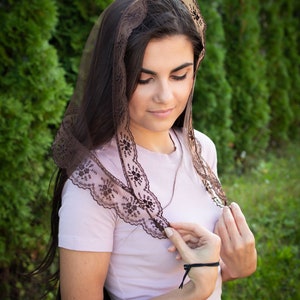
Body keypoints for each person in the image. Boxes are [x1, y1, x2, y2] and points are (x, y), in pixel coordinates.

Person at [37, 0, 257, 299]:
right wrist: (194, 291)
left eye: (179, 75)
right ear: (114, 78)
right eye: (144, 79)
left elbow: (201, 274)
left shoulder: (202, 148)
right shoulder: (96, 182)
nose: (165, 97)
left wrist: (233, 267)